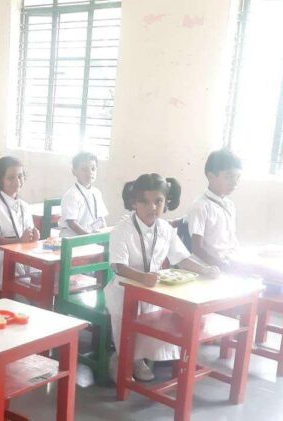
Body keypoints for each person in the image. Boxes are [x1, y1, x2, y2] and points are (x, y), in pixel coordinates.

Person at [105, 174, 219, 382]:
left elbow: (182, 258)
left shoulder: (166, 229)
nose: (152, 207)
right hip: (124, 289)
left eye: (158, 201)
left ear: (166, 203)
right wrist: (141, 277)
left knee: (154, 322)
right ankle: (121, 358)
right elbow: (118, 266)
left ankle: (138, 360)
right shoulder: (121, 230)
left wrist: (204, 269)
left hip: (152, 289)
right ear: (134, 203)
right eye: (145, 202)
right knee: (126, 324)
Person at [0, 156, 39, 292]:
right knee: (22, 282)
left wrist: (33, 236)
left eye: (20, 176)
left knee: (40, 271)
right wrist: (19, 240)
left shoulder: (25, 205)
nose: (17, 181)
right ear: (0, 180)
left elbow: (27, 233)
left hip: (22, 251)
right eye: (11, 177)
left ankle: (34, 294)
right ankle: (21, 296)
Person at [187, 149, 242, 268]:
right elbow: (197, 249)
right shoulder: (201, 206)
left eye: (237, 177)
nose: (235, 183)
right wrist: (223, 266)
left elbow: (231, 241)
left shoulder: (230, 205)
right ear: (211, 177)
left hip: (230, 262)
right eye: (229, 177)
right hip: (209, 267)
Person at [57, 152, 109, 237]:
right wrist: (87, 237)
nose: (90, 172)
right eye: (84, 169)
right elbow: (71, 223)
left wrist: (105, 235)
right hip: (72, 237)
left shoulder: (97, 192)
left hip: (90, 235)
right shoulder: (72, 195)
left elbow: (101, 218)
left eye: (93, 169)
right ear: (74, 172)